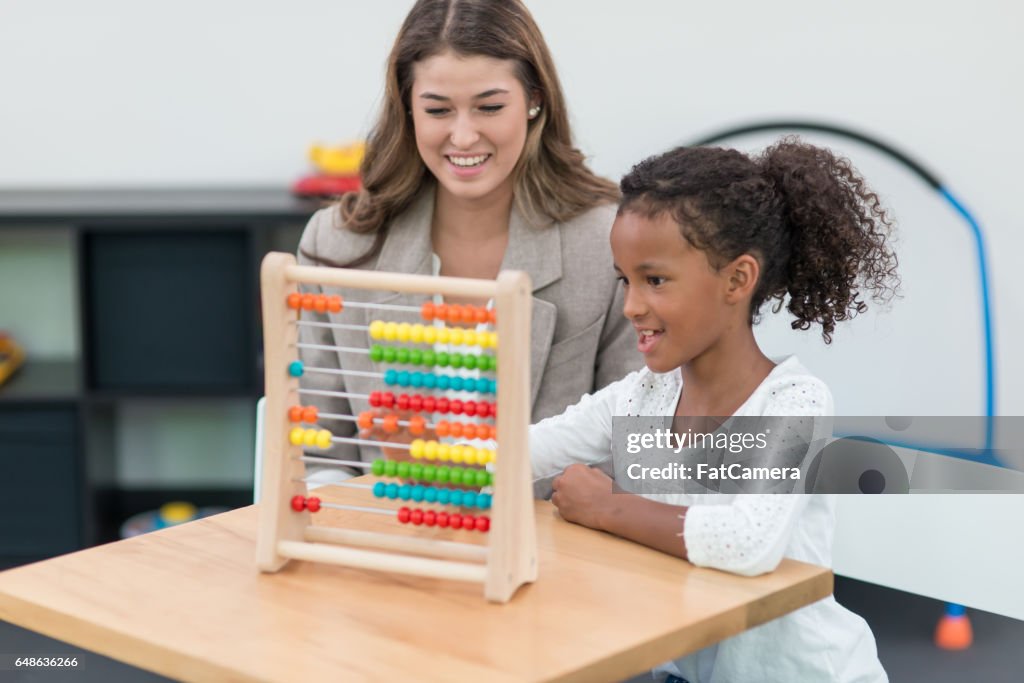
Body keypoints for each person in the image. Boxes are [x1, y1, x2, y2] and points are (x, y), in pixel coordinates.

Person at [531, 140, 899, 682]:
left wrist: (605, 507)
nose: (631, 305)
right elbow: (517, 453)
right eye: (624, 280)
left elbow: (747, 542)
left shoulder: (792, 402)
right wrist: (419, 443)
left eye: (654, 280)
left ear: (737, 279)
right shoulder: (639, 399)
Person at [295, 0, 640, 474]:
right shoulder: (336, 247)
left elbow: (635, 453)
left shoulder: (606, 243)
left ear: (534, 98)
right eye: (438, 110)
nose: (462, 136)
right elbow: (318, 457)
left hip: (557, 540)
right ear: (408, 108)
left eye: (489, 107)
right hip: (388, 537)